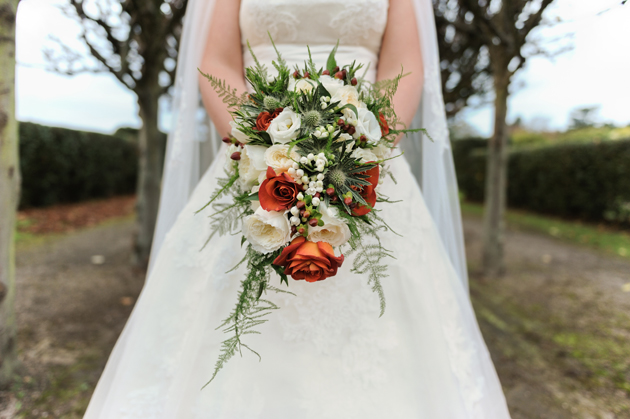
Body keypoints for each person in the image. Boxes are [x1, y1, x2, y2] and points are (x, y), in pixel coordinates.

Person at [84, 0, 512, 418]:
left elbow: (404, 69)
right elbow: (215, 63)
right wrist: (261, 144)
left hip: (364, 162)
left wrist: (362, 148)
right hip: (251, 157)